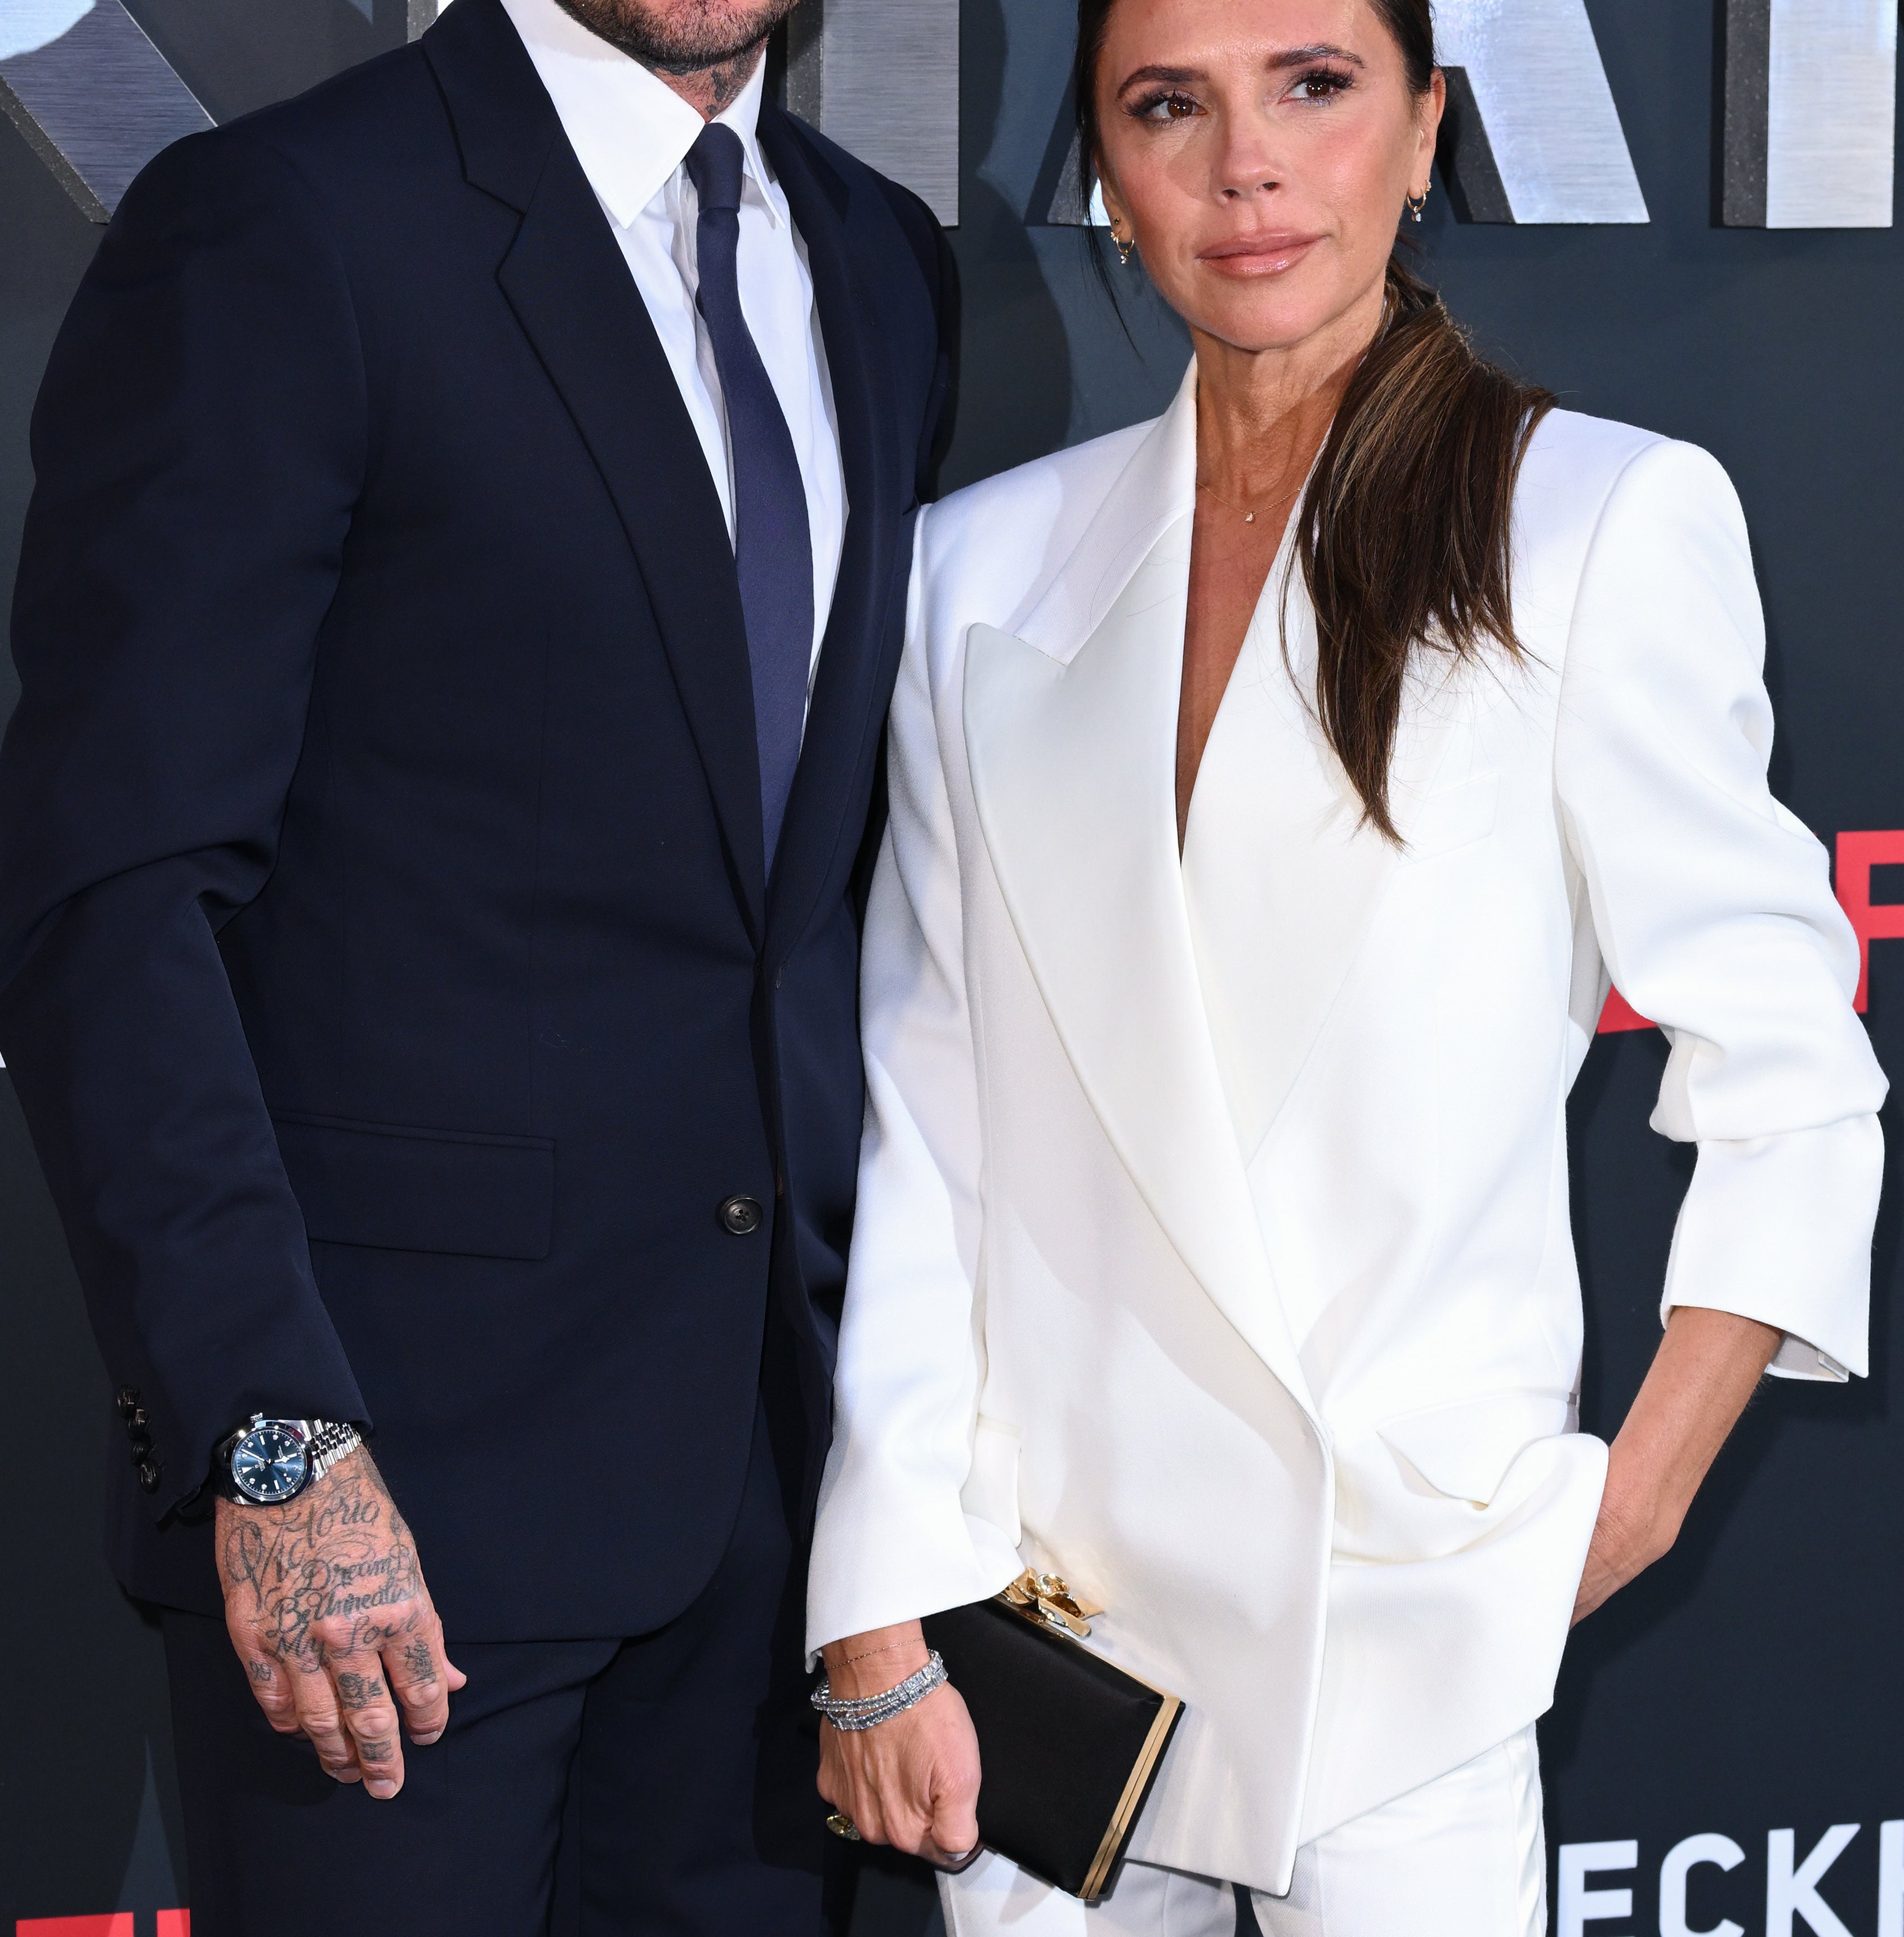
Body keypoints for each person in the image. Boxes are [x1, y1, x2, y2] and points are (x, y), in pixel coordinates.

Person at [802, 1, 1885, 1933]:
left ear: (1424, 129)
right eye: (1169, 108)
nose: (1248, 166)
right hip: (1051, 1631)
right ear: (1108, 182)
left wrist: (1611, 1515)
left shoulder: (1592, 521)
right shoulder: (978, 572)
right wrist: (880, 1597)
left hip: (1408, 1623)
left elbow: (1792, 1066)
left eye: (1314, 85)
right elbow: (930, 1113)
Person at [0, 0, 954, 1924]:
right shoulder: (288, 222)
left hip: (777, 1518)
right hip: (392, 1526)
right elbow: (114, 894)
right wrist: (273, 1441)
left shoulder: (881, 257)